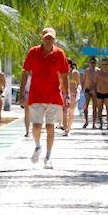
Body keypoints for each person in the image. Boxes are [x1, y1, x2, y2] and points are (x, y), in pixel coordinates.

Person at [19, 27, 70, 169]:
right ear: (42, 38)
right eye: (46, 38)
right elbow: (25, 73)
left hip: (53, 95)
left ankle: (48, 157)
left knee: (50, 127)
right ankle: (37, 146)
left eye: (51, 38)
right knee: (36, 126)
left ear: (54, 39)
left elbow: (65, 75)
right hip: (36, 95)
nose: (48, 40)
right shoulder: (33, 52)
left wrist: (67, 94)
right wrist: (21, 92)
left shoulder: (59, 54)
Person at [81, 56, 100, 129]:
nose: (92, 64)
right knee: (85, 107)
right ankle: (86, 122)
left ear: (96, 63)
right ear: (89, 63)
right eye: (91, 62)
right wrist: (81, 90)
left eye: (94, 62)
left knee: (95, 108)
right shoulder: (86, 71)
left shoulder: (98, 71)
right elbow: (83, 81)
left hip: (95, 91)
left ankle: (94, 123)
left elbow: (100, 82)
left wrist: (96, 89)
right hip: (87, 90)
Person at [64, 59, 81, 136]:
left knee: (71, 113)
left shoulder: (75, 73)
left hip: (73, 95)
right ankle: (65, 128)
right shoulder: (64, 73)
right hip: (64, 95)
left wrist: (77, 92)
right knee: (64, 112)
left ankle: (68, 130)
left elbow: (78, 84)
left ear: (70, 65)